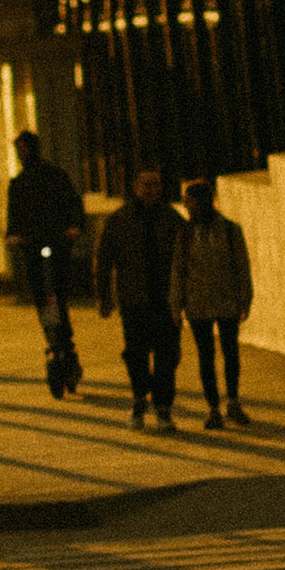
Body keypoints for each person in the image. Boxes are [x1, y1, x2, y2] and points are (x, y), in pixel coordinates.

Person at [95, 167, 184, 429]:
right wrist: (103, 298)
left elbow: (185, 260)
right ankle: (139, 398)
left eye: (155, 184)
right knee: (136, 354)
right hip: (134, 300)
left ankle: (163, 406)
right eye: (145, 184)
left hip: (166, 300)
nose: (150, 189)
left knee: (168, 355)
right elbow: (103, 261)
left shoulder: (172, 219)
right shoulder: (119, 220)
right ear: (135, 186)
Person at [4, 129, 86, 396]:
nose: (22, 154)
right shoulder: (18, 183)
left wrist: (74, 227)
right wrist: (13, 236)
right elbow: (13, 216)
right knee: (43, 297)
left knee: (57, 295)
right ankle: (54, 341)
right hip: (34, 247)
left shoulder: (54, 176)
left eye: (24, 148)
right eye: (19, 149)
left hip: (56, 243)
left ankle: (64, 342)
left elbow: (73, 204)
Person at [171, 173, 254, 427]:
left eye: (190, 201)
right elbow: (178, 270)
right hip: (197, 304)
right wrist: (176, 304)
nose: (186, 206)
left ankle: (233, 401)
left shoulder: (229, 230)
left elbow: (242, 266)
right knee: (205, 356)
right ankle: (213, 407)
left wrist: (245, 299)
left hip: (227, 300)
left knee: (231, 353)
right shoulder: (184, 233)